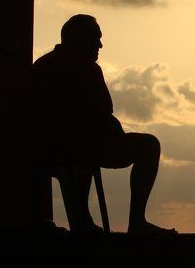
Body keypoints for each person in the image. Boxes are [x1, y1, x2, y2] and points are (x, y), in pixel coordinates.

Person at [32, 14, 176, 236]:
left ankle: (83, 222)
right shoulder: (86, 68)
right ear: (79, 40)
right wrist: (113, 131)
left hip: (53, 147)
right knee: (149, 145)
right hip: (75, 146)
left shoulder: (42, 65)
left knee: (82, 152)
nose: (100, 45)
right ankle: (135, 222)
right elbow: (102, 114)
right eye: (95, 39)